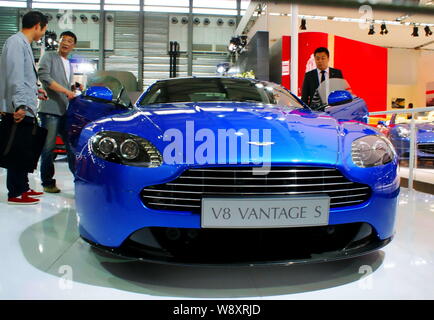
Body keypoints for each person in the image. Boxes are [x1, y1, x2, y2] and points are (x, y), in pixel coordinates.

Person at [0, 11, 48, 205]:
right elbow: (15, 76)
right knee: (17, 151)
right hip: (19, 108)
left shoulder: (24, 44)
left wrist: (36, 91)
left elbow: (25, 77)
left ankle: (24, 187)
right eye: (43, 29)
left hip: (25, 105)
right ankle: (16, 192)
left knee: (24, 148)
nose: (43, 33)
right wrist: (19, 104)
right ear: (37, 25)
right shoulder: (16, 43)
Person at [38, 31, 81, 193]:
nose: (66, 43)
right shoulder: (49, 56)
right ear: (59, 42)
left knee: (71, 147)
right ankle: (47, 182)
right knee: (48, 148)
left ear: (73, 45)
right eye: (63, 40)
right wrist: (66, 92)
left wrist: (73, 90)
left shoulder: (68, 63)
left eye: (70, 41)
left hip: (64, 111)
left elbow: (65, 85)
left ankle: (79, 178)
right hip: (50, 110)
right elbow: (45, 78)